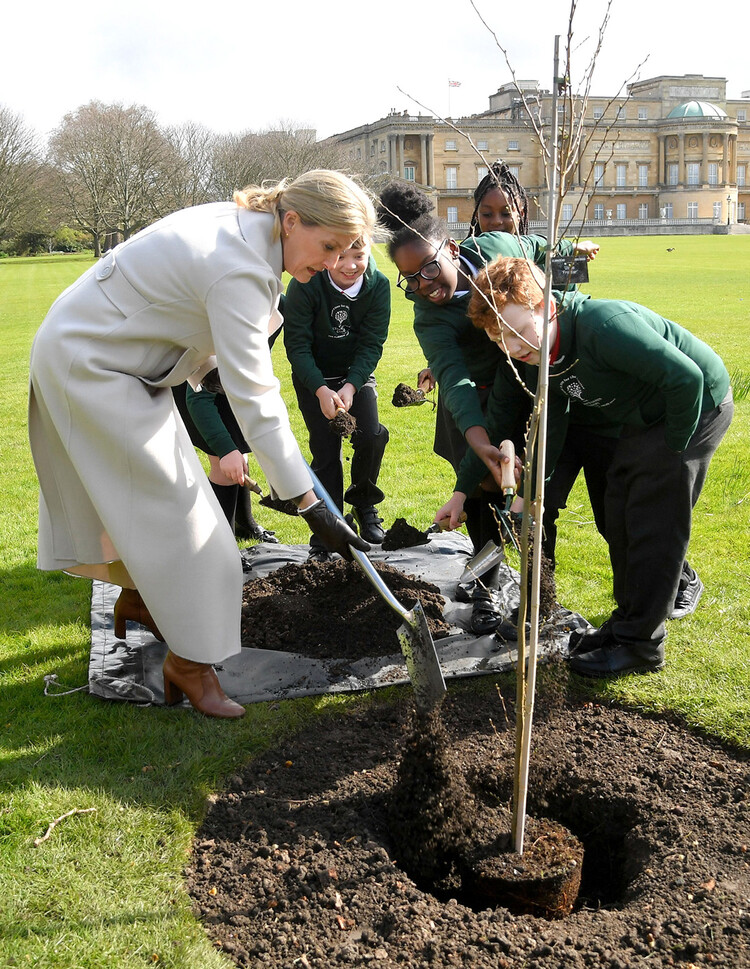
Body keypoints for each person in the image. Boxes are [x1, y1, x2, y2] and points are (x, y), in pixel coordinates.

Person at [28, 169, 374, 719]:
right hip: (93, 365)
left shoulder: (248, 231)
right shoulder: (241, 266)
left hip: (117, 361)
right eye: (328, 246)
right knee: (199, 529)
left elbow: (176, 311)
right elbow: (257, 396)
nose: (334, 263)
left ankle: (141, 598)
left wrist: (206, 369)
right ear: (291, 221)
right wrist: (308, 503)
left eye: (345, 250)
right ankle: (189, 665)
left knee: (154, 503)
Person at [439, 256, 733, 677]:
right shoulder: (540, 360)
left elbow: (687, 379)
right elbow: (549, 430)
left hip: (694, 408)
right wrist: (519, 494)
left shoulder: (604, 326)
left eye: (518, 332)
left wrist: (670, 455)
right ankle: (626, 624)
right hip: (646, 417)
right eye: (500, 341)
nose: (514, 348)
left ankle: (642, 645)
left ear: (547, 306)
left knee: (652, 520)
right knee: (618, 513)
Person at [378, 180, 582, 634]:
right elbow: (454, 380)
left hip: (523, 388)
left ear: (452, 249)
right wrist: (478, 441)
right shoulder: (429, 316)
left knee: (532, 495)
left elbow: (537, 246)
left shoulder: (495, 248)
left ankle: (538, 597)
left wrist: (572, 252)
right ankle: (487, 591)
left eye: (429, 269)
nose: (423, 285)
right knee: (478, 499)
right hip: (470, 405)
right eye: (409, 279)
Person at [283, 238, 391, 560]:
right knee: (326, 452)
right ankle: (326, 532)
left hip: (353, 375)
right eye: (341, 256)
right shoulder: (305, 283)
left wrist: (352, 386)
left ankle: (363, 504)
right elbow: (297, 346)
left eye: (358, 256)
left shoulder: (379, 286)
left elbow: (372, 343)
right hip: (313, 377)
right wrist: (320, 389)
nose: (350, 265)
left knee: (371, 436)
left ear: (369, 251)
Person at [172, 374, 279, 544]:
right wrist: (225, 450)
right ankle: (224, 542)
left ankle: (244, 524)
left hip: (229, 387)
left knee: (239, 453)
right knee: (224, 463)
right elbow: (199, 397)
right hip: (201, 393)